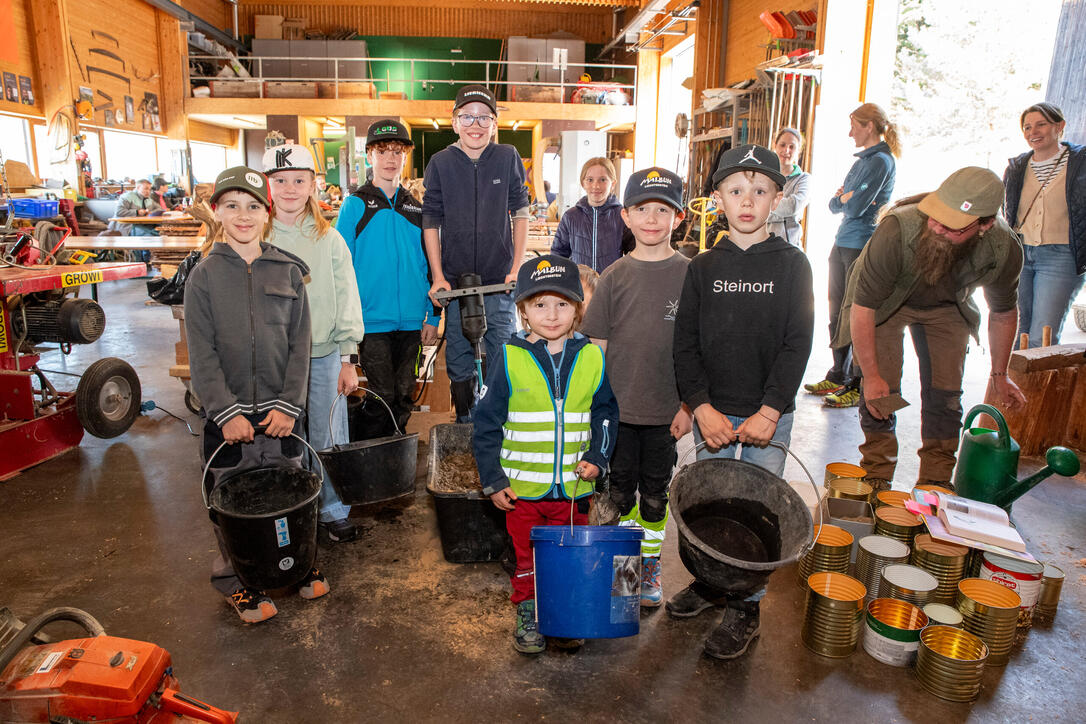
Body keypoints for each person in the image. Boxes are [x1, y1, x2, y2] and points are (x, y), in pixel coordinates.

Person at [669, 144, 814, 659]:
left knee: (757, 513)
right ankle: (712, 583)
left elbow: (798, 343)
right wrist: (701, 406)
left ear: (777, 198)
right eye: (735, 191)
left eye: (759, 191)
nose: (747, 201)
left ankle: (746, 605)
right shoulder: (702, 267)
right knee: (710, 504)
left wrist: (771, 411)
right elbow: (685, 344)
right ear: (718, 199)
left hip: (766, 417)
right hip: (713, 412)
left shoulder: (794, 265)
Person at [184, 166, 323, 624]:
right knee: (229, 501)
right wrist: (225, 412)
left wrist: (290, 406)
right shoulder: (203, 277)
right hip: (230, 419)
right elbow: (201, 353)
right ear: (217, 212)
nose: (242, 215)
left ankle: (298, 564)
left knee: (290, 492)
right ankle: (237, 581)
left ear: (267, 213)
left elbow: (300, 344)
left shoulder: (288, 271)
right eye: (232, 206)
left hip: (282, 416)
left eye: (252, 206)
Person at [835, 166, 1026, 488]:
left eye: (951, 225)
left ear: (985, 225)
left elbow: (1003, 313)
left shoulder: (1003, 249)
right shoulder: (897, 229)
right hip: (887, 303)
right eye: (936, 216)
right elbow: (863, 307)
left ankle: (934, 482)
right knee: (882, 393)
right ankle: (877, 473)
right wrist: (872, 376)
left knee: (945, 396)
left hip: (947, 307)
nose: (936, 226)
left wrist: (1000, 374)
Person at [473, 254, 618, 654]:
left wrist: (598, 457)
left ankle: (564, 614)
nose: (551, 315)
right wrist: (493, 480)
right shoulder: (509, 356)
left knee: (569, 558)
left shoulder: (592, 356)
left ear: (578, 309)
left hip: (573, 492)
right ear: (522, 310)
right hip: (522, 492)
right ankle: (528, 610)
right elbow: (485, 423)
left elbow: (605, 412)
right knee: (526, 558)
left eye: (562, 304)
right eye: (539, 304)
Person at [580, 167, 691, 608]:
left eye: (662, 210)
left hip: (667, 413)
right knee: (621, 492)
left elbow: (696, 348)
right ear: (625, 216)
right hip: (619, 414)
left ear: (678, 217)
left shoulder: (690, 275)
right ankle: (626, 571)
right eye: (642, 209)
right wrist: (595, 408)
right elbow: (597, 349)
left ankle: (650, 567)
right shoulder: (613, 277)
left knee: (656, 496)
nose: (652, 219)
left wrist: (688, 406)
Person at [264, 144, 366, 543]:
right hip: (274, 360)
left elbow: (347, 297)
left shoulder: (330, 239)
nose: (290, 188)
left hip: (324, 355)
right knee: (282, 437)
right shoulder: (257, 236)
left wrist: (348, 358)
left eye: (299, 180)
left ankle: (333, 509)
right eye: (280, 180)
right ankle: (290, 510)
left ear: (313, 185)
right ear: (269, 185)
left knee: (329, 435)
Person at [422, 84, 531, 421]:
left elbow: (520, 212)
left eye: (484, 117)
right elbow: (431, 221)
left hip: (498, 283)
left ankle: (500, 428)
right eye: (467, 116)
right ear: (455, 122)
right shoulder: (440, 163)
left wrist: (516, 267)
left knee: (502, 355)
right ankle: (464, 425)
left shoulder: (507, 157)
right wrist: (438, 276)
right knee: (458, 361)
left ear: (494, 125)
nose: (476, 124)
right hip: (456, 285)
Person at [335, 120, 441, 439]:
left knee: (405, 395)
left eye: (397, 151)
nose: (390, 158)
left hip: (411, 322)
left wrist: (433, 316)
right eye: (382, 152)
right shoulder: (354, 206)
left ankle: (394, 453)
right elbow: (341, 269)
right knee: (382, 395)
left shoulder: (417, 210)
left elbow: (430, 268)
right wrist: (348, 322)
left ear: (405, 156)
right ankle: (370, 451)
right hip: (371, 322)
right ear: (369, 156)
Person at [805, 103, 900, 407]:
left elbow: (856, 206)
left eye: (854, 126)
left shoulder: (880, 162)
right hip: (843, 240)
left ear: (869, 126)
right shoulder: (862, 161)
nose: (850, 133)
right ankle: (839, 373)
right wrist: (846, 197)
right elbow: (834, 204)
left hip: (861, 243)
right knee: (836, 310)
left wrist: (847, 197)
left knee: (856, 313)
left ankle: (858, 383)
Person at [1002, 102, 1085, 348]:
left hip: (1061, 255)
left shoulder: (1081, 162)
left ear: (1059, 126)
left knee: (1041, 335)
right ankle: (1011, 375)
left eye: (1041, 124)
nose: (1033, 132)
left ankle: (1038, 376)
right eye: (1027, 127)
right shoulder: (1016, 167)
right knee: (1016, 332)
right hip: (1020, 255)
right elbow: (1007, 211)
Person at [550, 157, 629, 273]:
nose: (596, 186)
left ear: (613, 183)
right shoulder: (570, 217)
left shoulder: (622, 216)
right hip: (579, 283)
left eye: (603, 180)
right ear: (583, 183)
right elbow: (558, 255)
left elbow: (634, 254)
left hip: (612, 283)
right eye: (590, 180)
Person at [766, 127, 812, 249]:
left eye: (792, 147)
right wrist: (783, 215)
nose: (786, 150)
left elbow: (792, 207)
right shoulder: (764, 177)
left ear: (799, 151)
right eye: (782, 145)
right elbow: (754, 209)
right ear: (775, 145)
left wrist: (764, 207)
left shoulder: (803, 179)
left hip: (789, 249)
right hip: (762, 247)